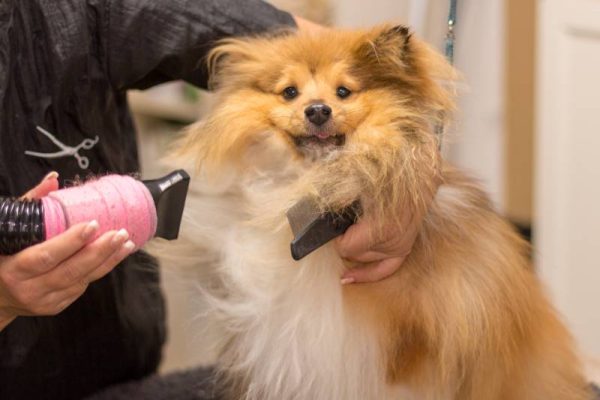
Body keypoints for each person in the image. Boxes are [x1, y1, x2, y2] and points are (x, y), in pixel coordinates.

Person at [0, 1, 429, 399]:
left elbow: (241, 26)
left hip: (110, 357)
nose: (316, 107)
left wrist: (415, 168)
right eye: (290, 92)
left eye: (341, 91)